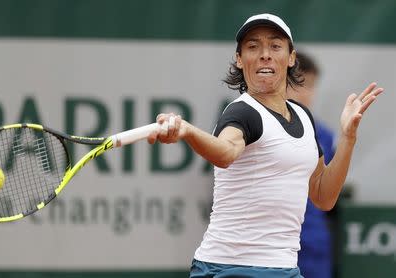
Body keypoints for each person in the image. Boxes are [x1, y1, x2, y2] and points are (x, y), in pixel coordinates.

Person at [148, 13, 383, 277]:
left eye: (275, 46)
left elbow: (323, 195)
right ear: (239, 59)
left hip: (284, 267)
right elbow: (226, 152)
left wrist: (348, 138)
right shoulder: (241, 113)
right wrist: (187, 131)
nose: (265, 54)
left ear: (291, 57)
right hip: (231, 268)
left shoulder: (303, 117)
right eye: (253, 47)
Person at [287, 51, 335, 278]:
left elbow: (327, 190)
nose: (306, 94)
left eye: (311, 86)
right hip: (272, 241)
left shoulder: (324, 135)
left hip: (313, 242)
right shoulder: (256, 127)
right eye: (300, 85)